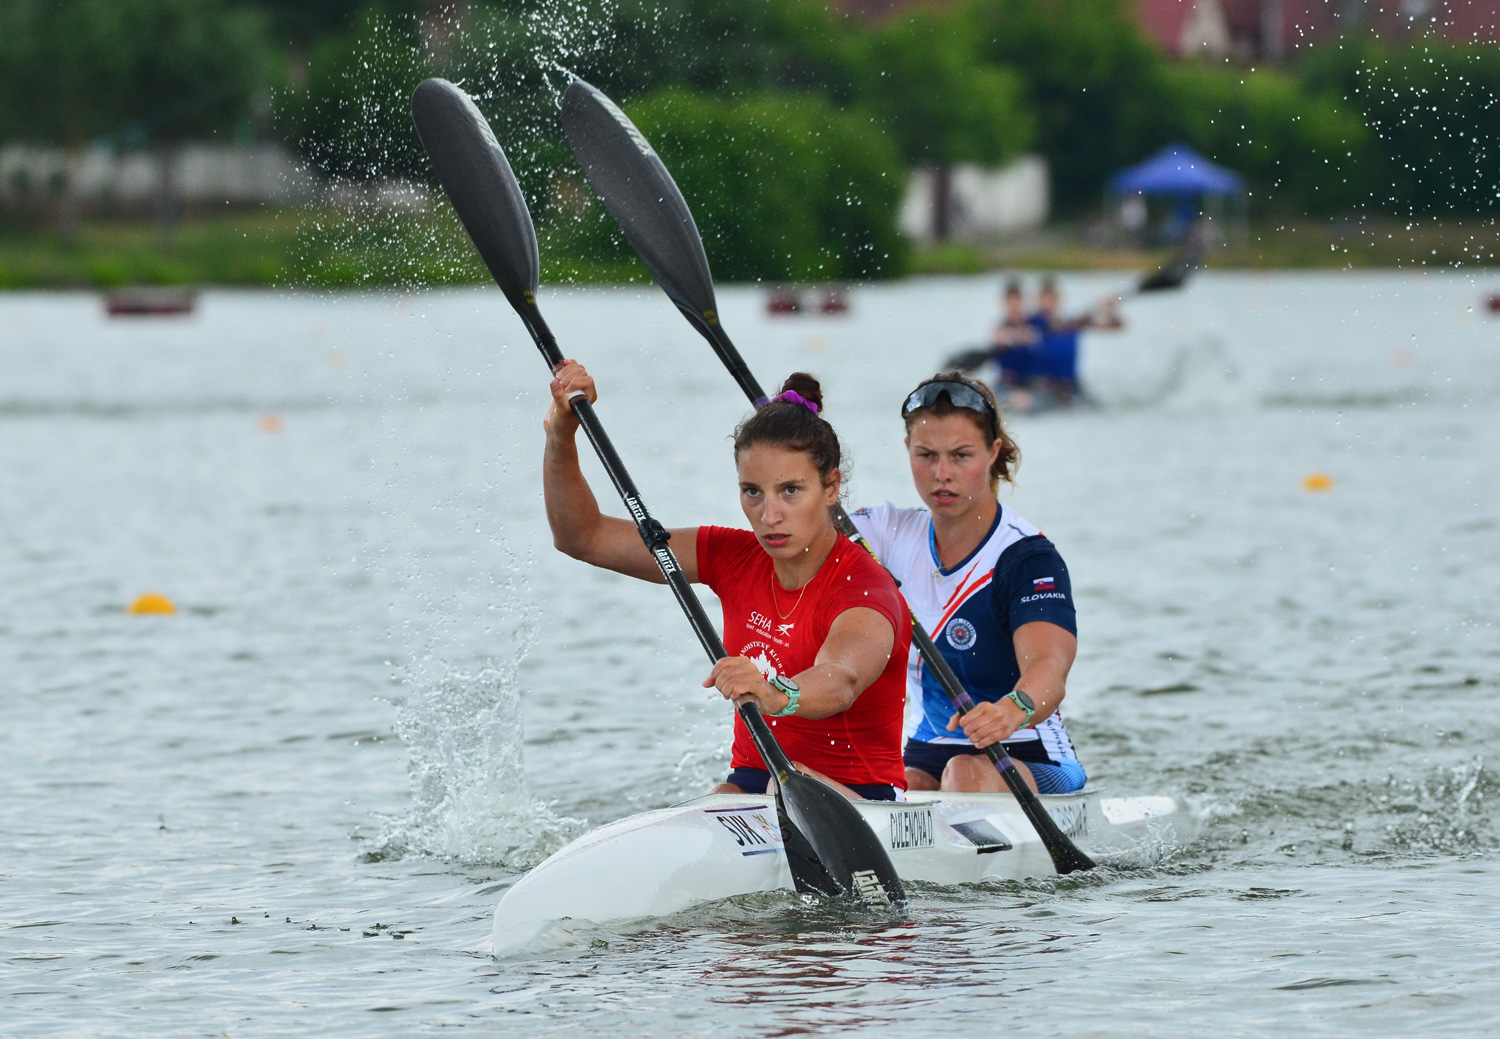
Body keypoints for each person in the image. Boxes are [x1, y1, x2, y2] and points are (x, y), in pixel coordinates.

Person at [543, 362, 912, 800]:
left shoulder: (864, 587)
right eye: (752, 491)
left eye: (791, 490)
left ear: (831, 487)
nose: (769, 515)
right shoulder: (731, 555)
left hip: (862, 796)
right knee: (722, 799)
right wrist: (561, 435)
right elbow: (582, 537)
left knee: (779, 790)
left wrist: (776, 693)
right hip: (757, 781)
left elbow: (842, 679)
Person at [849, 372, 1087, 794]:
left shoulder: (1027, 559)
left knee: (964, 773)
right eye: (926, 455)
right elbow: (801, 534)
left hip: (1028, 752)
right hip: (928, 753)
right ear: (907, 450)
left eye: (961, 456)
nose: (942, 474)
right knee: (869, 785)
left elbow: (1050, 665)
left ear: (993, 451)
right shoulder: (885, 531)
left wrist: (1014, 708)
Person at [1026, 277, 1123, 406]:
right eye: (1044, 299)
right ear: (1038, 300)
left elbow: (1116, 325)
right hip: (1043, 388)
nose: (1048, 304)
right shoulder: (1032, 323)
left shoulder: (1073, 322)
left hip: (1072, 387)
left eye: (1051, 299)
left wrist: (1109, 308)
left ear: (1058, 299)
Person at [988, 278, 1039, 390]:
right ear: (1005, 303)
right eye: (1010, 302)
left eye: (1017, 301)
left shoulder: (1033, 324)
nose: (1014, 306)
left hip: (1030, 381)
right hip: (1007, 382)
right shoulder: (999, 328)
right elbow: (999, 338)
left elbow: (1034, 337)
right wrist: (1014, 337)